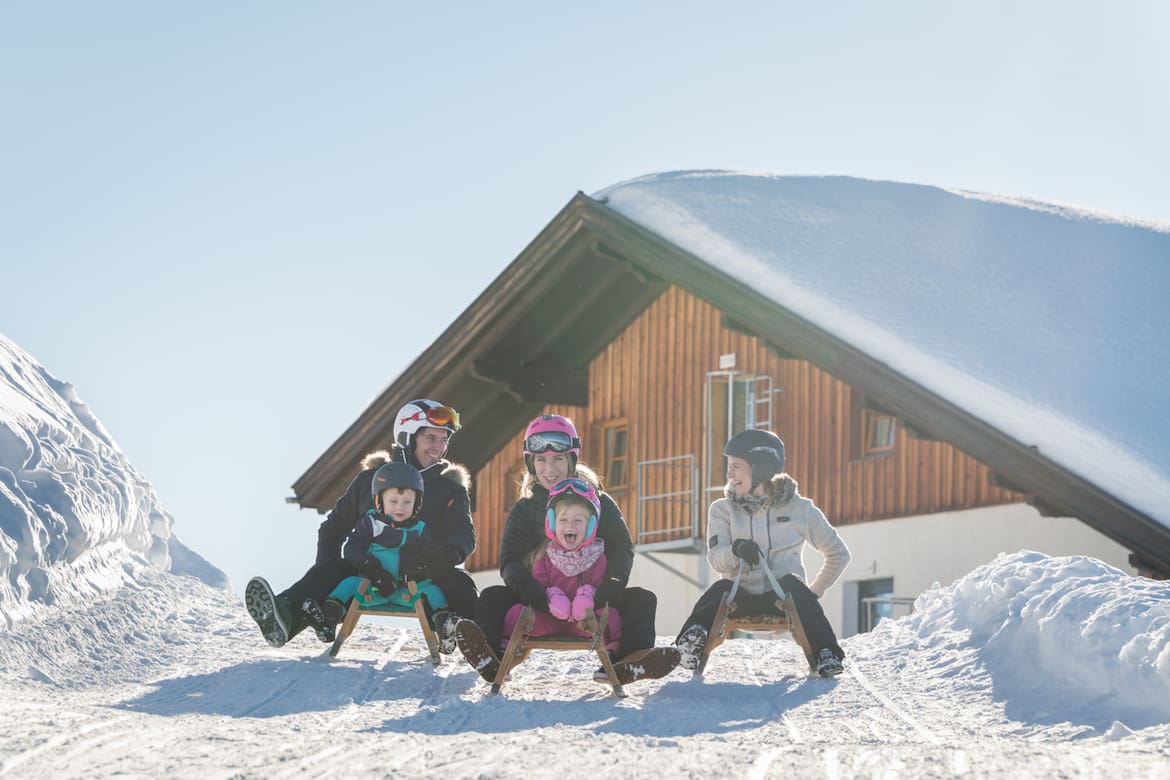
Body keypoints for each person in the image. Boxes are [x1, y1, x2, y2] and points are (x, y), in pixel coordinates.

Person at [454, 414, 678, 685]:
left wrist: (608, 588)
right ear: (531, 463)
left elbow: (621, 548)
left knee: (642, 600)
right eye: (541, 460)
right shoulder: (525, 508)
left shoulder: (598, 501)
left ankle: (630, 662)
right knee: (493, 597)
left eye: (558, 459)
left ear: (571, 459)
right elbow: (510, 561)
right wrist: (536, 594)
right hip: (541, 600)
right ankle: (491, 658)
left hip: (593, 598)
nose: (550, 469)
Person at [246, 399, 477, 653]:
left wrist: (434, 561)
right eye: (431, 438)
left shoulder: (449, 489)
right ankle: (285, 618)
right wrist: (328, 571)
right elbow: (333, 529)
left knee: (461, 583)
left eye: (444, 439)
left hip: (424, 577)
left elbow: (463, 536)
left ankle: (478, 644)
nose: (439, 447)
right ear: (408, 437)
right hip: (371, 573)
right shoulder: (371, 481)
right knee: (329, 570)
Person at [674, 429, 851, 677]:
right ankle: (690, 643)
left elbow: (838, 554)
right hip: (738, 596)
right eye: (729, 466)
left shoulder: (800, 508)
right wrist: (735, 551)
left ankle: (826, 652)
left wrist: (812, 594)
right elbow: (716, 558)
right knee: (718, 589)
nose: (729, 474)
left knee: (794, 584)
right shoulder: (722, 510)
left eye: (736, 466)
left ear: (761, 468)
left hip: (783, 598)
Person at [303, 461, 448, 636]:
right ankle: (328, 620)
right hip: (371, 586)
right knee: (348, 584)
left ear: (417, 504)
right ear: (380, 501)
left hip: (407, 590)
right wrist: (372, 568)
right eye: (393, 501)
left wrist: (420, 568)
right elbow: (351, 548)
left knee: (434, 592)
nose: (400, 507)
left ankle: (444, 627)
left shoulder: (420, 530)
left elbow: (429, 554)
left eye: (407, 502)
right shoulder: (371, 524)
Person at [497, 477, 621, 653]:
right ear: (552, 523)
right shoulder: (544, 555)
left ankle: (613, 655)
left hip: (584, 623)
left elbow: (600, 585)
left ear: (591, 525)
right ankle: (505, 651)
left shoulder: (598, 558)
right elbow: (540, 583)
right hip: (549, 619)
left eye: (578, 520)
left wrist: (588, 594)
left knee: (612, 617)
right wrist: (551, 595)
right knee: (516, 613)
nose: (570, 525)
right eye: (563, 520)